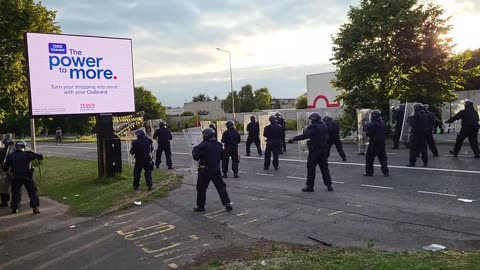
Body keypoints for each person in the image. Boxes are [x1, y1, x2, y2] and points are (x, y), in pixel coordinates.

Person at [288, 112, 333, 192]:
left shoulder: (313, 128)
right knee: (324, 168)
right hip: (323, 150)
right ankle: (329, 185)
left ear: (313, 120)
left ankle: (310, 186)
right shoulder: (325, 126)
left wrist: (293, 139)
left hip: (314, 151)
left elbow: (304, 136)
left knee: (311, 169)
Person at [192, 128, 232, 212]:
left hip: (204, 170)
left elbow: (196, 157)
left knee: (201, 188)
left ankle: (201, 206)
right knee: (221, 187)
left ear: (205, 136)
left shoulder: (203, 145)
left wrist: (194, 149)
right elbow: (222, 157)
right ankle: (227, 203)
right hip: (216, 169)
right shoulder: (218, 145)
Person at [2, 141, 43, 214]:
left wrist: (4, 166)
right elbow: (40, 157)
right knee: (32, 191)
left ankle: (15, 208)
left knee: (15, 192)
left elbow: (5, 168)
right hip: (27, 176)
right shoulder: (28, 154)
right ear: (24, 147)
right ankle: (35, 207)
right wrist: (38, 155)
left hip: (16, 177)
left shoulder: (11, 156)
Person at [363, 110, 389, 177]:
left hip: (374, 143)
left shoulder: (373, 124)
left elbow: (369, 134)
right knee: (383, 157)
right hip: (382, 143)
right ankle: (386, 172)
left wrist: (366, 128)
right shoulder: (383, 123)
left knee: (369, 157)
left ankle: (369, 172)